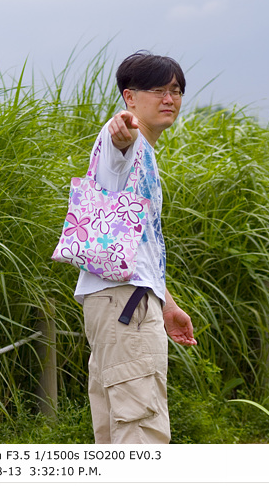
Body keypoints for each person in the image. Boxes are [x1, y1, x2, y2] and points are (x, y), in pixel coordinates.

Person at [74, 50, 197, 444]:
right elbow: (118, 142)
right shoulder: (125, 141)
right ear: (130, 98)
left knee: (115, 428)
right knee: (140, 427)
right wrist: (122, 134)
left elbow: (138, 245)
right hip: (125, 306)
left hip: (125, 301)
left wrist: (167, 303)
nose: (169, 99)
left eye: (175, 90)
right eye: (157, 90)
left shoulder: (146, 152)